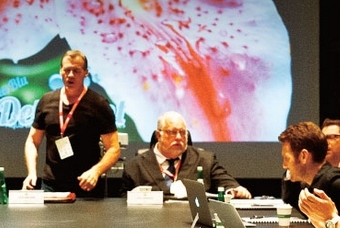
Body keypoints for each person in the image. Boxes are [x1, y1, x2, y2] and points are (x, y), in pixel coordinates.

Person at [22, 49, 121, 197]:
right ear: (60, 71)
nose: (70, 75)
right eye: (67, 70)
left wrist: (96, 171)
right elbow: (32, 140)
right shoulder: (46, 101)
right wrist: (31, 172)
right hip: (51, 184)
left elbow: (113, 148)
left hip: (86, 184)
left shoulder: (98, 104)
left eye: (76, 71)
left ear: (86, 73)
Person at [122, 111, 251, 198]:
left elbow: (226, 182)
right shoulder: (135, 166)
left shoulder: (204, 160)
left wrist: (235, 189)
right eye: (172, 132)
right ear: (158, 135)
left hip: (192, 223)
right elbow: (122, 204)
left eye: (183, 132)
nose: (179, 137)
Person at [278, 121, 340, 226]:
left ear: (304, 156)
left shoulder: (332, 181)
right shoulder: (318, 181)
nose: (284, 165)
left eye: (287, 158)